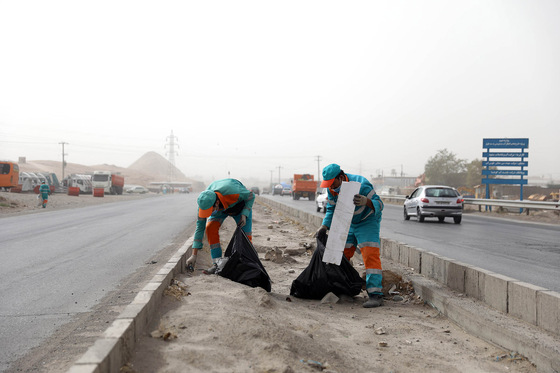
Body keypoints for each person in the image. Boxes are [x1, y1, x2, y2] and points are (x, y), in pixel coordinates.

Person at [315, 164, 385, 308]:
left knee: (370, 255)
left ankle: (375, 295)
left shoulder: (362, 184)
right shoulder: (332, 189)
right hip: (347, 222)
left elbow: (380, 204)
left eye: (333, 183)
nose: (331, 187)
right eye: (328, 185)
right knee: (341, 255)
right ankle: (343, 288)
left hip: (367, 222)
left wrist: (367, 201)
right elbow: (331, 209)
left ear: (340, 177)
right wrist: (324, 226)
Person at [187, 179, 255, 274]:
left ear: (217, 203)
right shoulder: (204, 203)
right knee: (210, 227)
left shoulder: (233, 192)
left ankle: (248, 263)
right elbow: (200, 228)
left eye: (211, 210)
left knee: (246, 235)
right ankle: (217, 264)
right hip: (221, 210)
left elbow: (251, 196)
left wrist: (245, 213)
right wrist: (194, 255)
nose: (209, 213)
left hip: (240, 207)